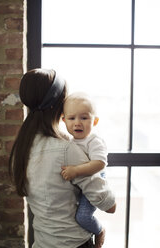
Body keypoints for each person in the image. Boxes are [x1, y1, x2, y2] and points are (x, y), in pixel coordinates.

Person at [9, 69, 116, 248]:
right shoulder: (67, 149)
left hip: (42, 242)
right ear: (59, 106)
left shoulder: (21, 147)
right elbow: (109, 205)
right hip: (73, 243)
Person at [61, 92, 112, 248]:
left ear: (94, 121)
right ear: (63, 120)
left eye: (84, 118)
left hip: (94, 182)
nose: (77, 123)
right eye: (71, 118)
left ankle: (99, 230)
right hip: (80, 184)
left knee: (82, 217)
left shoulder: (93, 141)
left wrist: (76, 171)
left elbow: (99, 163)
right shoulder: (68, 140)